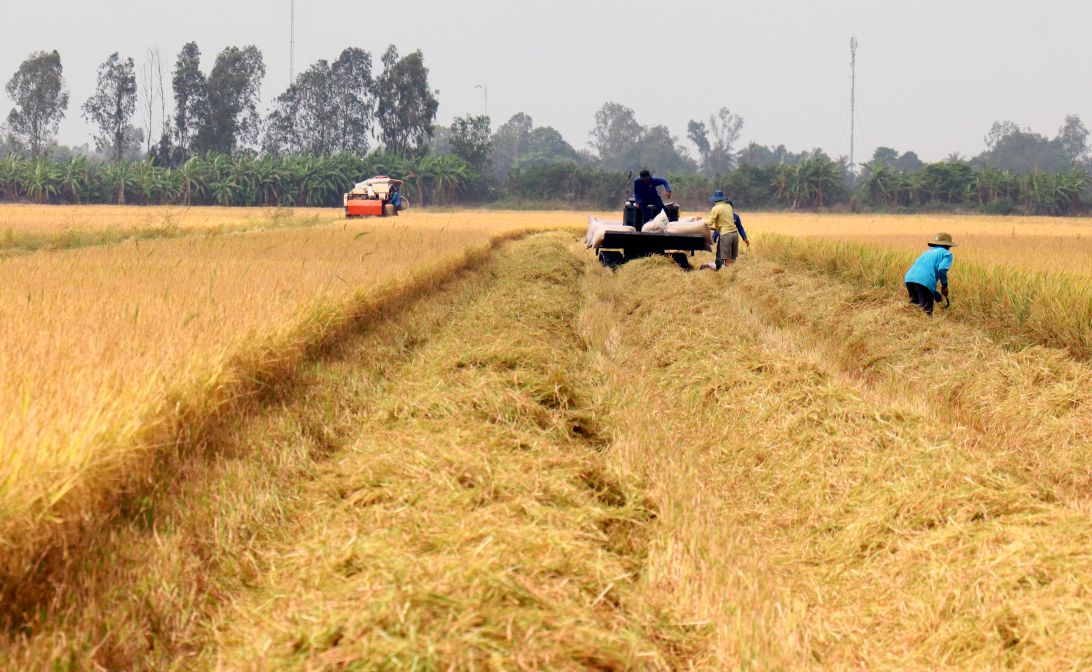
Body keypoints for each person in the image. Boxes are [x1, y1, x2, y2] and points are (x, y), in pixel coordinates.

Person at [904, 232, 957, 315]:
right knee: (926, 312)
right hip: (924, 281)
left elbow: (922, 273)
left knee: (914, 309)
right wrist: (945, 286)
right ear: (949, 245)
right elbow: (942, 269)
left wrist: (934, 293)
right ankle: (924, 327)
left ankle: (911, 326)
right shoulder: (947, 254)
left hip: (909, 278)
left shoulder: (927, 253)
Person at [703, 190, 747, 270]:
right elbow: (726, 222)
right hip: (734, 234)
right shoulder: (729, 207)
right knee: (732, 258)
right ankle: (732, 274)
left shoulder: (715, 208)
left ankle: (728, 277)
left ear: (715, 200)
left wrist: (701, 224)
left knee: (726, 259)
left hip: (726, 235)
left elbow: (710, 222)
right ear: (723, 198)